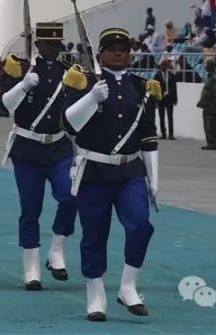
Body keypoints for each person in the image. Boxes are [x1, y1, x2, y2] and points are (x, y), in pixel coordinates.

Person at [61, 27, 161, 321]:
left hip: (130, 170)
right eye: (112, 48)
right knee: (94, 234)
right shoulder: (83, 83)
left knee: (140, 225)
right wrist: (91, 98)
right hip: (93, 170)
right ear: (100, 53)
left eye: (123, 48)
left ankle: (128, 286)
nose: (118, 52)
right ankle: (96, 292)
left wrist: (154, 180)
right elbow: (68, 125)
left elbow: (148, 137)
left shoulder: (143, 88)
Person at [0, 22, 76, 290]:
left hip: (58, 147)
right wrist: (23, 86)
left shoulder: (70, 73)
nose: (54, 50)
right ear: (38, 45)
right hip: (28, 148)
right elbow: (5, 105)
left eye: (57, 45)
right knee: (30, 209)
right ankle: (31, 267)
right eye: (49, 45)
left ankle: (57, 249)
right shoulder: (20, 68)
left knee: (70, 195)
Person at [196, 58, 216, 150]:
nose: (206, 66)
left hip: (211, 106)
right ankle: (210, 142)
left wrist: (213, 107)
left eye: (207, 64)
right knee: (207, 125)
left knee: (211, 125)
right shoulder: (210, 77)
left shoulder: (215, 78)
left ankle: (213, 143)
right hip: (206, 105)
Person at [153, 56, 178, 139]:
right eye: (162, 66)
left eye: (165, 66)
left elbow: (174, 88)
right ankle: (163, 133)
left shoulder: (171, 76)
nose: (163, 68)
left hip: (169, 98)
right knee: (161, 117)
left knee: (170, 117)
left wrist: (175, 99)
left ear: (167, 67)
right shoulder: (157, 76)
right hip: (161, 99)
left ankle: (171, 134)